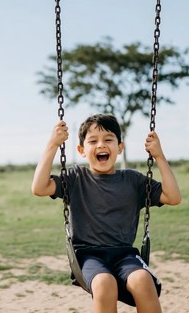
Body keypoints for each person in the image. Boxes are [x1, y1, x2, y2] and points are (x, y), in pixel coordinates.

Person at [32, 114, 181, 313]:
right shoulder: (76, 178)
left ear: (120, 147)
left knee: (143, 281)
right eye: (93, 141)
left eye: (108, 140)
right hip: (88, 256)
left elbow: (173, 197)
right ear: (82, 150)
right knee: (104, 283)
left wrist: (159, 157)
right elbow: (39, 188)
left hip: (125, 254)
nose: (101, 145)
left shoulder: (133, 180)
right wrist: (53, 144)